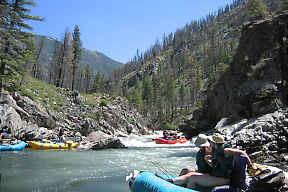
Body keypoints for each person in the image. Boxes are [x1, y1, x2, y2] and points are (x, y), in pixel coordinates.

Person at [170, 133, 257, 190]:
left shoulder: (225, 151)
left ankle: (172, 182)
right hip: (217, 176)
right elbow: (215, 166)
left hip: (224, 179)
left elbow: (243, 153)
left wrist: (251, 165)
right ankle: (173, 183)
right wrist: (208, 160)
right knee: (190, 175)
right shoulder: (215, 150)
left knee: (192, 178)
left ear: (214, 142)